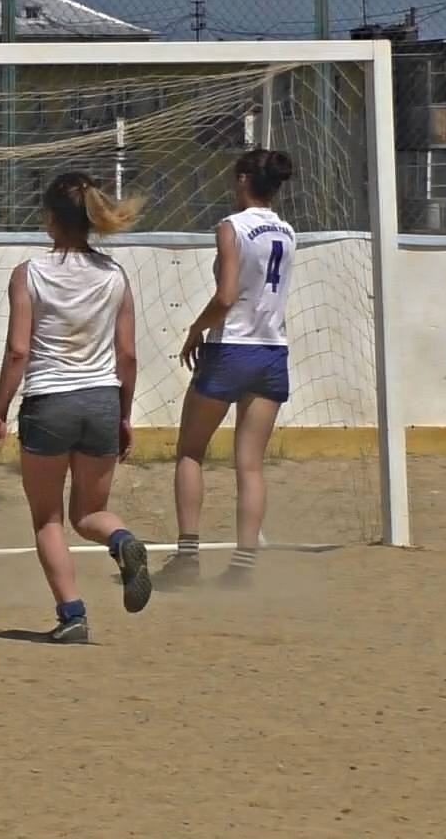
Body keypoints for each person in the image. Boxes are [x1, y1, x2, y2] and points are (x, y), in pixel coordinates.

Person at [0, 172, 151, 644]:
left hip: (48, 402)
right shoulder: (114, 274)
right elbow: (128, 355)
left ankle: (73, 615)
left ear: (51, 218)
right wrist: (123, 414)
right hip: (100, 399)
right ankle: (122, 540)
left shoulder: (30, 273)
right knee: (90, 514)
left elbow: (18, 351)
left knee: (48, 519)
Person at [155, 148, 297, 591]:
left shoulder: (231, 227)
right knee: (250, 466)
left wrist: (195, 329)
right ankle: (243, 566)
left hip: (231, 348)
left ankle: (188, 559)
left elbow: (225, 296)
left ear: (241, 181)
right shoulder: (288, 231)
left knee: (190, 452)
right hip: (272, 350)